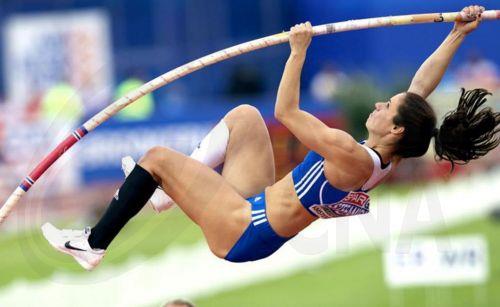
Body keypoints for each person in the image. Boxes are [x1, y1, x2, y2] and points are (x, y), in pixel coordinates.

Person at [42, 5, 499, 270]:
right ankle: (164, 198)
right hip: (255, 208)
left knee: (157, 156)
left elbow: (286, 111)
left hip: (242, 232)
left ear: (396, 128)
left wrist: (297, 51)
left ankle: (93, 244)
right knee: (244, 118)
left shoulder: (349, 154)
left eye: (385, 108)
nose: (378, 106)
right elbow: (419, 88)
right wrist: (457, 35)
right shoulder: (391, 152)